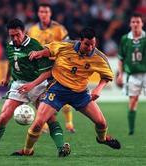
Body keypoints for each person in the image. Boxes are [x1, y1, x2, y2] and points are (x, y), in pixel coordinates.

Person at [12, 27, 121, 156]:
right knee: (38, 124)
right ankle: (27, 151)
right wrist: (40, 53)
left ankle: (102, 139)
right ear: (80, 41)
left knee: (101, 123)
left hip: (80, 94)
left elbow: (107, 76)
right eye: (87, 44)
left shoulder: (99, 57)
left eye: (93, 44)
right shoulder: (66, 46)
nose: (90, 48)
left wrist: (98, 88)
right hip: (57, 90)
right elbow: (50, 49)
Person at [0, 18, 70, 157]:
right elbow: (11, 62)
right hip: (19, 84)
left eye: (18, 34)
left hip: (38, 84)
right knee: (4, 116)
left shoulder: (35, 46)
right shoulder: (9, 46)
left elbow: (48, 72)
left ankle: (61, 149)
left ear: (24, 32)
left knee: (49, 118)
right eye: (12, 35)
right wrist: (7, 77)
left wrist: (32, 85)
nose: (15, 38)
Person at [27, 3, 75, 133]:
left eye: (46, 12)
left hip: (57, 67)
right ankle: (44, 124)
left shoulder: (59, 29)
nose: (44, 14)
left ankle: (69, 122)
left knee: (63, 93)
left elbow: (67, 46)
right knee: (38, 96)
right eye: (41, 12)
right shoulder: (32, 30)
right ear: (38, 13)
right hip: (40, 68)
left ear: (50, 13)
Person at [116, 13, 146, 135]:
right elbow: (120, 58)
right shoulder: (125, 39)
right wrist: (120, 74)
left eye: (138, 22)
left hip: (145, 72)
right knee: (133, 100)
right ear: (130, 24)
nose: (135, 24)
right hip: (132, 75)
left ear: (142, 23)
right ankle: (131, 131)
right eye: (133, 22)